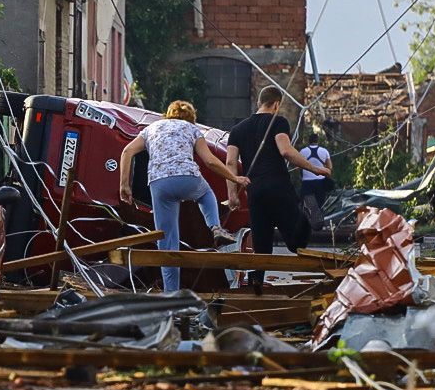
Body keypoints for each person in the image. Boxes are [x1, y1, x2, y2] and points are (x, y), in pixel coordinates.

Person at [118, 100, 248, 293]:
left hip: (159, 183)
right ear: (191, 118)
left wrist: (124, 185)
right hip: (187, 178)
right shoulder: (192, 129)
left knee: (167, 243)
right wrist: (234, 177)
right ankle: (215, 227)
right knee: (206, 194)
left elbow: (127, 151)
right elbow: (210, 161)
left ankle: (171, 294)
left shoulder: (151, 128)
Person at [226, 86, 333, 291]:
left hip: (254, 192)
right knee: (296, 244)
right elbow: (285, 150)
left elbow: (230, 163)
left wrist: (232, 195)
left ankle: (256, 282)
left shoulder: (237, 130)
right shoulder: (278, 121)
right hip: (278, 187)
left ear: (259, 102)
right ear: (276, 104)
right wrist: (315, 169)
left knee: (262, 246)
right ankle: (308, 213)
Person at [298, 129, 333, 233]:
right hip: (320, 182)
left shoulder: (303, 151)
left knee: (309, 205)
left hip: (307, 182)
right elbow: (330, 167)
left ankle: (308, 226)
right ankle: (318, 226)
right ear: (318, 141)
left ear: (309, 141)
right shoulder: (324, 151)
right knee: (319, 204)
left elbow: (299, 166)